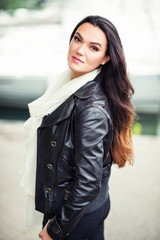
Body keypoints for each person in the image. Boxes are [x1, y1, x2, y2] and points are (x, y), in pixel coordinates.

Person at [22, 15, 135, 240]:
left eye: (93, 47)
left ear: (105, 58)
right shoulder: (69, 84)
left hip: (73, 216)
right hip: (89, 207)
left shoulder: (90, 107)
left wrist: (57, 229)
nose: (80, 50)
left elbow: (88, 181)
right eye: (77, 39)